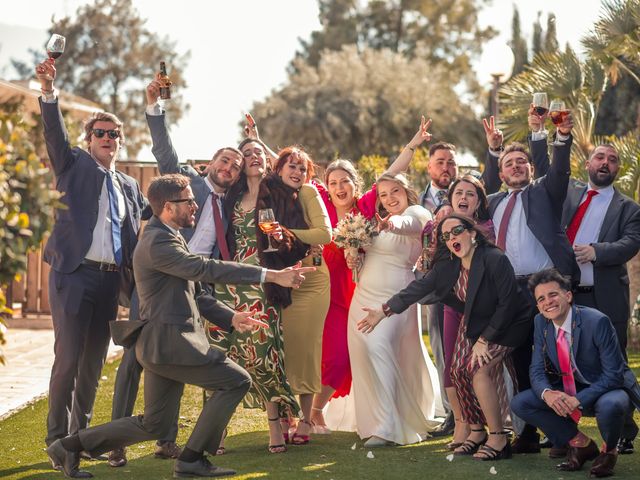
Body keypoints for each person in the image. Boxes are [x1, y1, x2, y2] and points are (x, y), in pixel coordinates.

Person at [46, 174, 315, 479]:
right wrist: (270, 275)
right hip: (171, 342)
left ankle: (69, 446)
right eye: (188, 200)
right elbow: (204, 268)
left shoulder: (171, 236)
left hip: (162, 345)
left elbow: (197, 292)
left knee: (154, 425)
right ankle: (191, 459)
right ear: (168, 207)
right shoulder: (157, 241)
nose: (195, 205)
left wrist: (231, 317)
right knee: (236, 380)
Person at [107, 77, 247, 467]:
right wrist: (155, 108)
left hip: (194, 284)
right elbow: (164, 150)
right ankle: (115, 441)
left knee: (180, 359)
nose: (229, 167)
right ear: (211, 163)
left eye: (235, 166)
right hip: (159, 276)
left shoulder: (229, 208)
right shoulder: (186, 185)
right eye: (225, 159)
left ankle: (166, 439)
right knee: (136, 360)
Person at [34, 58, 147, 465]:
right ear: (89, 138)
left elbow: (154, 220)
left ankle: (77, 439)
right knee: (67, 358)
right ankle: (54, 440)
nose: (109, 139)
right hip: (72, 275)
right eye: (101, 133)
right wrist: (49, 92)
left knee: (93, 363)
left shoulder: (130, 185)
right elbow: (53, 134)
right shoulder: (73, 164)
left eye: (115, 135)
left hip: (109, 282)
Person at [358, 213, 531, 459]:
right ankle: (476, 430)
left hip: (510, 322)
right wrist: (383, 311)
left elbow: (507, 304)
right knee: (457, 371)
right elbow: (417, 289)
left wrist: (484, 341)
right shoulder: (448, 265)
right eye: (446, 236)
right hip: (477, 321)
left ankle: (499, 438)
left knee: (478, 370)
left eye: (457, 231)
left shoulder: (494, 258)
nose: (451, 238)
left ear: (472, 233)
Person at [310, 117, 433, 432]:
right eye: (333, 182)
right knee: (314, 353)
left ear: (355, 184)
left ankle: (316, 410)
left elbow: (391, 175)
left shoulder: (364, 208)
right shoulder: (319, 206)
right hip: (317, 289)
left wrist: (413, 143)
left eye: (344, 182)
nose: (339, 188)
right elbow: (289, 169)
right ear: (327, 186)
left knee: (341, 357)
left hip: (349, 292)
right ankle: (306, 411)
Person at [481, 108, 580, 453]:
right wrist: (493, 153)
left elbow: (560, 171)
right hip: (510, 291)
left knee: (556, 360)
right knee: (521, 361)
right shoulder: (491, 202)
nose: (516, 166)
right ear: (502, 173)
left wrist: (551, 136)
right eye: (509, 164)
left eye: (522, 161)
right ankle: (528, 434)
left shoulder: (544, 193)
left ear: (531, 168)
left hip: (545, 286)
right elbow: (476, 190)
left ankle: (564, 434)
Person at [327, 173, 443, 447]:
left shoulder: (417, 213)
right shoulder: (371, 224)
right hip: (363, 298)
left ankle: (389, 426)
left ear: (406, 191)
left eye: (395, 191)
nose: (390, 198)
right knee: (363, 356)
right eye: (383, 194)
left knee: (379, 348)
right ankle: (372, 422)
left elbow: (407, 225)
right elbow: (363, 261)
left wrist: (391, 223)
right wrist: (354, 255)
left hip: (394, 300)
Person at [206, 136, 300, 455]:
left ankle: (275, 427)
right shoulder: (229, 196)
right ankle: (215, 431)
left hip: (264, 281)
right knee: (221, 351)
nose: (253, 156)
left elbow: (291, 240)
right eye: (247, 153)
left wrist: (280, 235)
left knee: (263, 353)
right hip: (228, 282)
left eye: (258, 152)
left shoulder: (278, 192)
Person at [511, 268, 640, 477]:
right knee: (521, 402)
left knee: (612, 404)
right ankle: (581, 444)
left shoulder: (597, 321)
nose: (548, 302)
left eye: (553, 294)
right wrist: (548, 393)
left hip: (606, 387)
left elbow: (614, 375)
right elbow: (536, 369)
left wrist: (577, 400)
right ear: (538, 306)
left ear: (568, 296)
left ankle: (609, 451)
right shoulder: (540, 322)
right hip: (570, 385)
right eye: (541, 299)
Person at [255, 146, 332, 445]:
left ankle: (306, 419)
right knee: (282, 350)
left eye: (303, 168)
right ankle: (284, 416)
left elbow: (325, 234)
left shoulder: (309, 193)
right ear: (279, 168)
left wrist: (285, 233)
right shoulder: (266, 195)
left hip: (311, 281)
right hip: (278, 279)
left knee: (306, 349)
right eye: (292, 166)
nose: (298, 172)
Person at [416, 174, 495, 450]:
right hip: (453, 306)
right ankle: (462, 421)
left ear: (479, 201)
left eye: (471, 194)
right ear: (450, 199)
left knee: (476, 368)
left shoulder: (487, 229)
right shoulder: (439, 229)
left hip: (483, 310)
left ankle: (488, 427)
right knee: (451, 365)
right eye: (459, 192)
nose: (464, 197)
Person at [417, 141, 459, 436]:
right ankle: (452, 415)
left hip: (469, 285)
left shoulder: (469, 194)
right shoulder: (416, 203)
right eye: (441, 162)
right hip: (434, 290)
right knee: (442, 350)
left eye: (451, 162)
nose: (447, 167)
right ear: (429, 167)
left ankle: (481, 411)